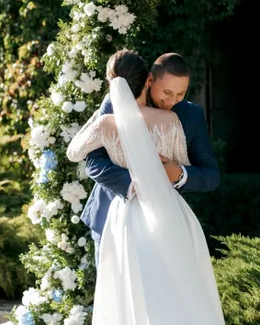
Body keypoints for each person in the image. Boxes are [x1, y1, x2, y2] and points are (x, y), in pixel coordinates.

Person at [67, 50, 225, 324]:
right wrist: (137, 182)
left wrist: (178, 173)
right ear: (150, 81)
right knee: (118, 301)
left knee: (169, 301)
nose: (172, 101)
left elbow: (210, 175)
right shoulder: (114, 102)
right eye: (167, 93)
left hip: (165, 222)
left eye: (180, 94)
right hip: (111, 216)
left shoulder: (188, 115)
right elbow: (93, 161)